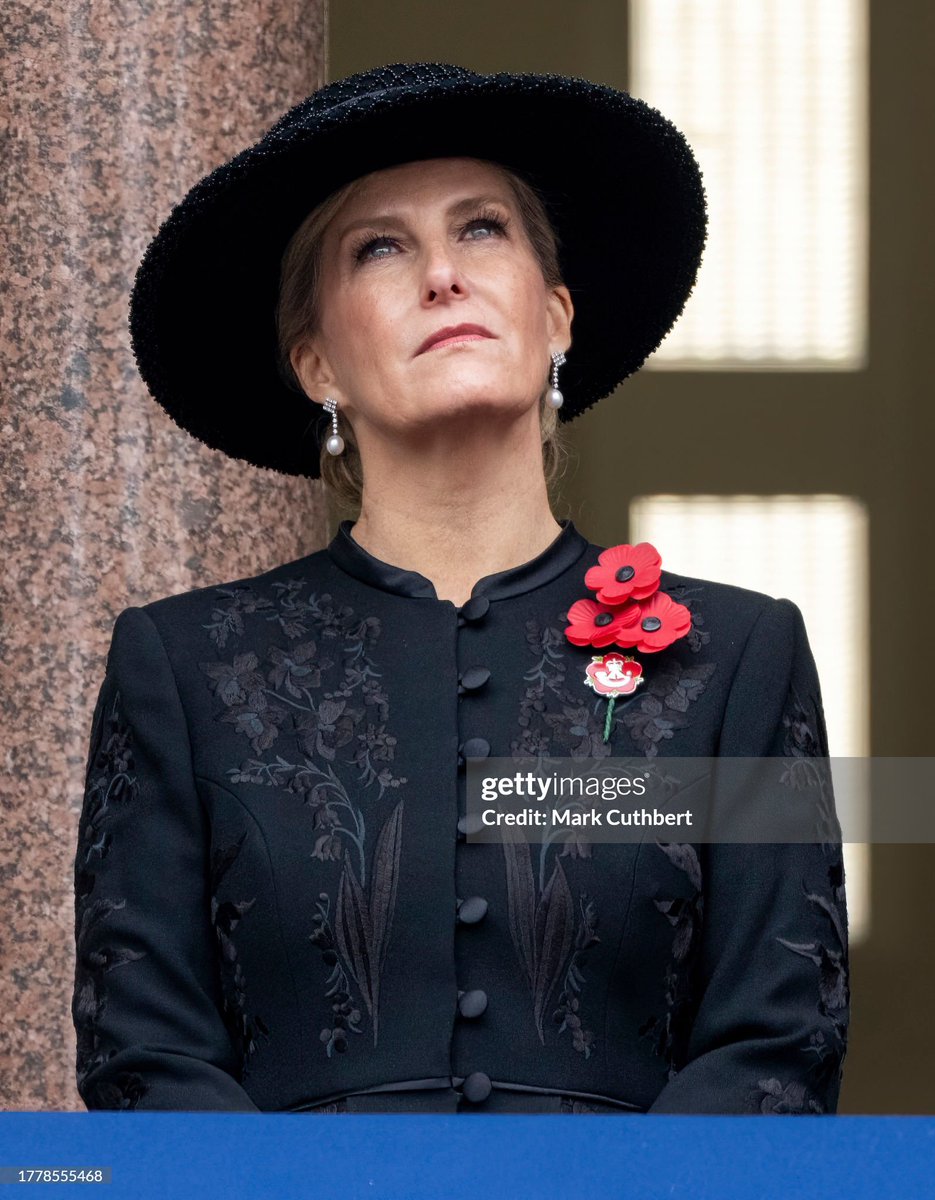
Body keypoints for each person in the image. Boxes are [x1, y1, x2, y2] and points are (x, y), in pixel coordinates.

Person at [72, 62, 850, 1114]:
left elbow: (775, 1042)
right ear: (316, 365)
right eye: (379, 247)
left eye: (481, 229)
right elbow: (147, 1064)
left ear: (558, 315)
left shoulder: (737, 657)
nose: (441, 273)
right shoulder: (182, 665)